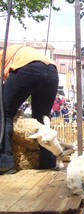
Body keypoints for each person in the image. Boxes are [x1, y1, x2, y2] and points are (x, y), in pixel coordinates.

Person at [0, 45, 59, 173]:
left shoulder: (1, 56)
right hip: (52, 71)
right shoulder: (14, 52)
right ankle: (47, 161)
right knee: (43, 117)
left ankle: (5, 163)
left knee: (4, 113)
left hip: (28, 68)